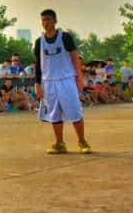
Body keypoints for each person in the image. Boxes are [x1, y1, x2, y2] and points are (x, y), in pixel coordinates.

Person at [34, 9, 92, 155]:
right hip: (48, 82)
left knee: (75, 111)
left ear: (55, 21)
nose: (46, 23)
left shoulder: (65, 37)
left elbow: (75, 58)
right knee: (54, 114)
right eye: (43, 20)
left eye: (48, 19)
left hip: (66, 80)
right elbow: (38, 64)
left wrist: (79, 78)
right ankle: (60, 143)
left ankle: (82, 141)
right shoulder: (39, 42)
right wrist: (37, 84)